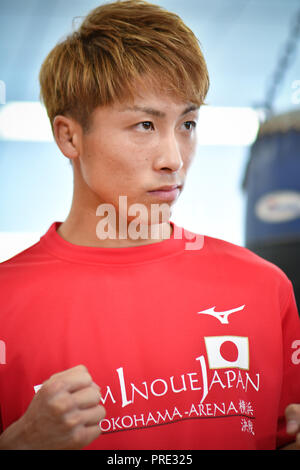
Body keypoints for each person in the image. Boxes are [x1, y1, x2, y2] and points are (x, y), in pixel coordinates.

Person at [0, 0, 300, 451]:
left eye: (188, 123)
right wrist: (20, 444)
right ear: (69, 136)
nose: (174, 159)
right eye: (144, 124)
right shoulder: (6, 302)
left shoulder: (264, 288)